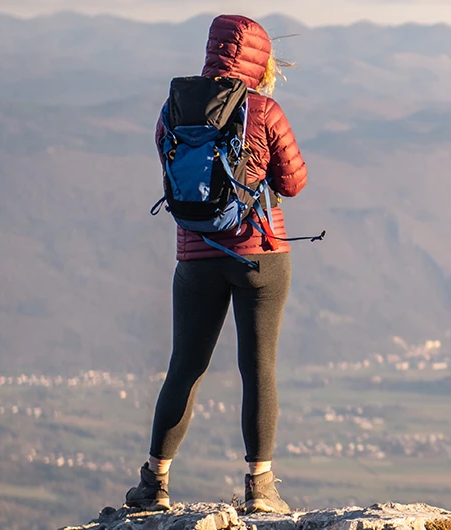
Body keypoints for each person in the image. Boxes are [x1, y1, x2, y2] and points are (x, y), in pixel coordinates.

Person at [126, 14, 306, 514]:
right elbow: (293, 182)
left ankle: (153, 484)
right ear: (259, 59)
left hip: (195, 256)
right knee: (258, 367)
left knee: (185, 366)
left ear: (212, 51)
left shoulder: (174, 109)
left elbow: (170, 169)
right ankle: (261, 488)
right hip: (259, 257)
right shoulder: (264, 110)